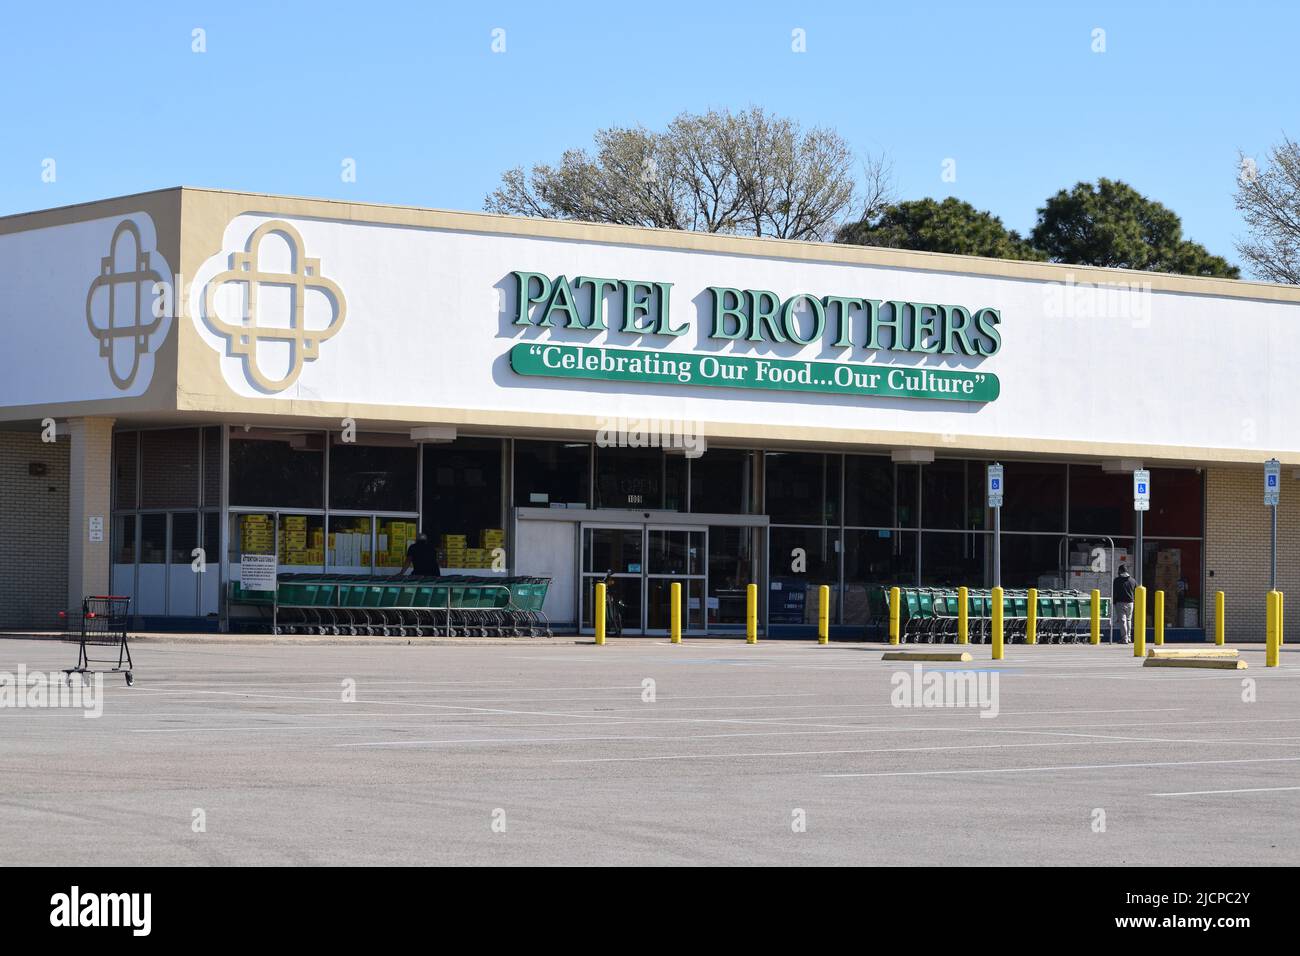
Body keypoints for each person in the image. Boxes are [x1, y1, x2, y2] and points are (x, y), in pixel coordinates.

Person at [1112, 564, 1137, 643]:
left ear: (1120, 571)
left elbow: (1115, 592)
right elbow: (1136, 591)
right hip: (1130, 603)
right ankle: (1129, 637)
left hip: (1120, 603)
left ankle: (1124, 638)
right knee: (1129, 620)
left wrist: (1114, 602)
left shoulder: (1117, 580)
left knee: (1122, 621)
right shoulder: (1133, 580)